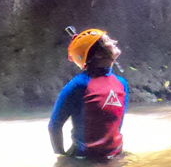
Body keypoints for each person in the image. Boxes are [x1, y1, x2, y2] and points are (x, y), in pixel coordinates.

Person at [49, 28, 129, 160]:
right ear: (98, 54)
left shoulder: (122, 83)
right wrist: (62, 156)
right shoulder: (78, 85)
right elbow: (55, 125)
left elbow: (117, 124)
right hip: (85, 159)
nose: (114, 41)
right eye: (108, 41)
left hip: (115, 155)